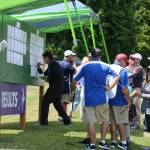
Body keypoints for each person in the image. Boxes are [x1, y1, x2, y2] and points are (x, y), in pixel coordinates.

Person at [74, 49, 120, 150]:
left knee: (91, 122)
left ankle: (92, 144)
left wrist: (73, 90)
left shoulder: (85, 66)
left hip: (88, 98)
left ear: (90, 55)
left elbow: (75, 79)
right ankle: (102, 141)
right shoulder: (106, 66)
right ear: (100, 55)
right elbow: (118, 76)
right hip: (102, 97)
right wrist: (109, 87)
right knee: (105, 120)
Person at [37, 51, 71, 125]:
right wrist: (39, 68)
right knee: (57, 104)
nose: (43, 60)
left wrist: (47, 77)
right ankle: (67, 120)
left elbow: (52, 75)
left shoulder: (53, 64)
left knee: (45, 101)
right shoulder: (51, 65)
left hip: (56, 86)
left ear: (47, 57)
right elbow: (44, 74)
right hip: (59, 87)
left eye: (44, 58)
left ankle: (43, 122)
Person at [108, 53, 131, 150]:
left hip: (108, 98)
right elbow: (125, 88)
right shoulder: (123, 71)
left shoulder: (108, 67)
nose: (126, 64)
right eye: (125, 62)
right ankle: (123, 143)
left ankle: (113, 141)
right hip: (119, 100)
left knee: (112, 122)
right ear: (121, 61)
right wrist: (128, 100)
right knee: (121, 122)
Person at [126, 53, 144, 128]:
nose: (133, 59)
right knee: (130, 104)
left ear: (138, 60)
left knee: (136, 105)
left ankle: (136, 123)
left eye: (135, 58)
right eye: (133, 58)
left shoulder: (139, 68)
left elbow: (132, 75)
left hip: (136, 88)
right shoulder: (130, 66)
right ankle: (130, 120)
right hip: (130, 87)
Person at [59, 50, 76, 116]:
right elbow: (74, 74)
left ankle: (59, 115)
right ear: (68, 56)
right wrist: (73, 90)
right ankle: (63, 116)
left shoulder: (59, 63)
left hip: (58, 86)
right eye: (72, 56)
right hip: (66, 87)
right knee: (65, 102)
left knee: (59, 102)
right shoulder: (69, 66)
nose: (73, 57)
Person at [141, 66, 150, 132]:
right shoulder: (145, 81)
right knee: (147, 114)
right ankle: (146, 125)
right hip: (146, 104)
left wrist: (141, 95)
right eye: (148, 71)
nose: (149, 73)